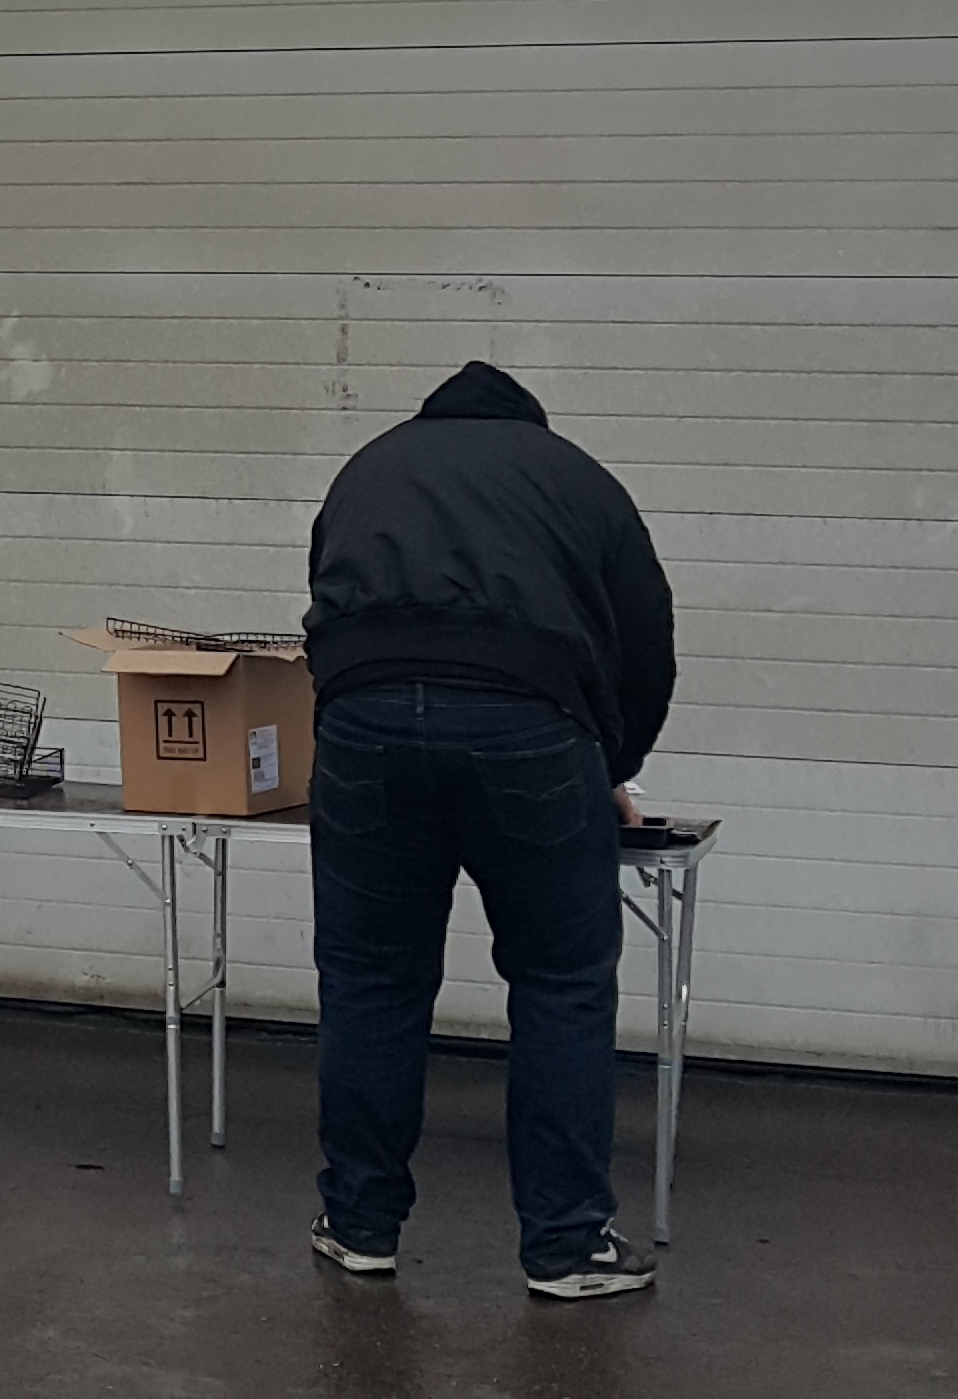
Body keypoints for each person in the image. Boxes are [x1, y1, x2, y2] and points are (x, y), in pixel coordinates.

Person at [299, 358, 678, 1301]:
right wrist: (613, 765)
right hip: (531, 730)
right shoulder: (578, 478)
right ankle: (566, 1246)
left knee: (370, 979)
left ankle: (360, 1226)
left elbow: (324, 610)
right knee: (561, 983)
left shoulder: (367, 468)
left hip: (365, 726)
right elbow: (647, 639)